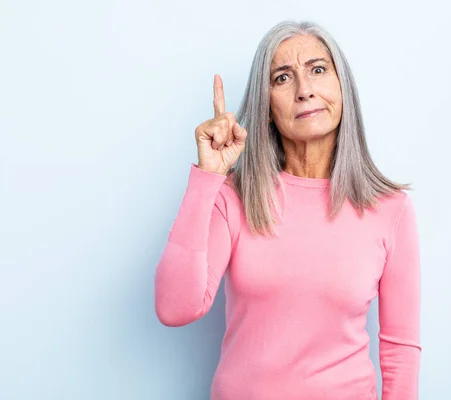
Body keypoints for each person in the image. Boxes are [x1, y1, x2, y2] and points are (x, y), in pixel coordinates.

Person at [154, 20, 422, 400]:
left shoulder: (390, 209)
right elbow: (174, 308)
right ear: (265, 108)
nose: (304, 90)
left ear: (342, 88)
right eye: (282, 78)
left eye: (317, 69)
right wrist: (207, 178)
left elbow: (400, 349)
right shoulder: (236, 196)